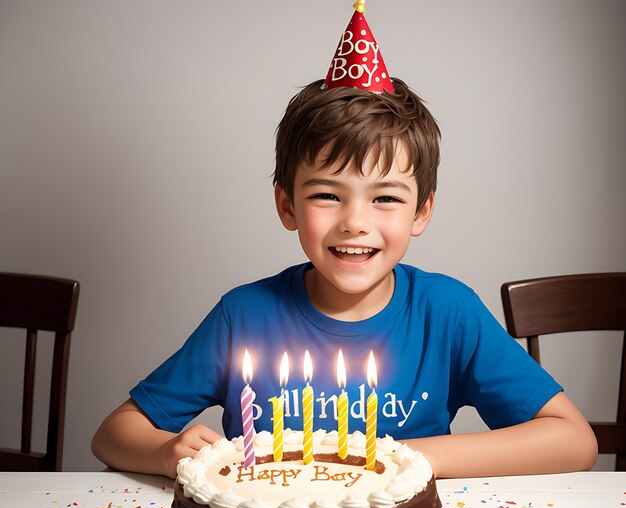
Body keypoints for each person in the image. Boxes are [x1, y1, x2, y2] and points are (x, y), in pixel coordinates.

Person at [92, 3, 598, 479]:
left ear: (422, 211)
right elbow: (113, 434)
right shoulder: (244, 317)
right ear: (287, 205)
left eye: (386, 199)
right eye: (328, 195)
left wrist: (398, 457)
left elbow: (574, 441)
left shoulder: (447, 313)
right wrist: (163, 451)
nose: (356, 222)